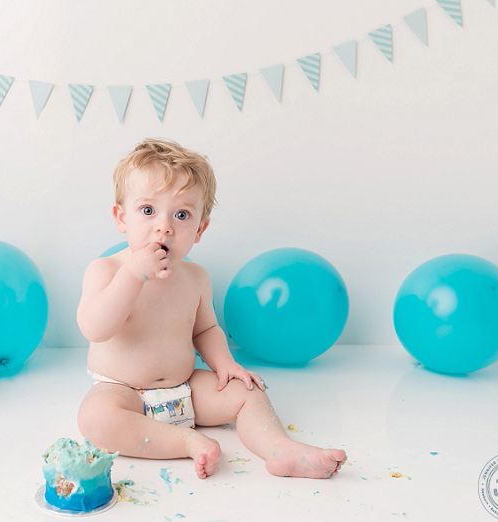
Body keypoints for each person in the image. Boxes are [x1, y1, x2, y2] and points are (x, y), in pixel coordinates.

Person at [76, 139, 347, 479]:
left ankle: (281, 449)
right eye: (148, 211)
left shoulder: (196, 277)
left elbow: (205, 330)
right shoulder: (105, 270)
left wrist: (224, 364)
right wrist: (132, 276)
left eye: (182, 215)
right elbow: (94, 328)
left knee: (248, 393)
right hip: (122, 392)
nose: (164, 226)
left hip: (184, 389)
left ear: (200, 229)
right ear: (121, 217)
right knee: (95, 419)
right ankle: (185, 442)